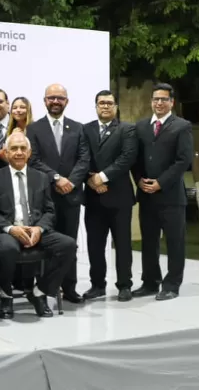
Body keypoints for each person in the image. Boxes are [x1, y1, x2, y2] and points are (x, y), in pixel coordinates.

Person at [0, 133, 77, 318]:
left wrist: (39, 229)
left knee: (68, 245)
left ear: (30, 152)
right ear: (6, 153)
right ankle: (6, 295)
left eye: (22, 148)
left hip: (35, 228)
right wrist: (11, 229)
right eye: (14, 149)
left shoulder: (41, 177)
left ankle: (40, 292)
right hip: (6, 230)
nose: (19, 152)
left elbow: (50, 211)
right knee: (8, 247)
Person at [26, 84, 90, 304]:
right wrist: (56, 178)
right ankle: (42, 289)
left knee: (70, 243)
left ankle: (69, 288)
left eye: (60, 98)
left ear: (67, 101)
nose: (55, 101)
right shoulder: (33, 129)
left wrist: (71, 182)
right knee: (45, 245)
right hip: (45, 196)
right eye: (51, 97)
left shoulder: (78, 128)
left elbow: (84, 159)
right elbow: (33, 160)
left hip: (71, 196)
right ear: (44, 101)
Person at [131, 83, 193, 301]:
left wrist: (161, 182)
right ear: (151, 101)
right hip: (146, 196)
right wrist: (139, 180)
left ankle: (172, 285)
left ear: (171, 102)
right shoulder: (140, 127)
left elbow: (183, 160)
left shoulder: (182, 126)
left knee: (175, 242)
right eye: (156, 99)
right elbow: (134, 159)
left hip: (172, 197)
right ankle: (150, 282)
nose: (159, 103)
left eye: (164, 99)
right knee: (149, 242)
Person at [83, 90, 137, 302]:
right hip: (94, 197)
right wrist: (91, 179)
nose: (105, 107)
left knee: (123, 244)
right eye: (101, 103)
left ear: (116, 107)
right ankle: (97, 285)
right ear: (96, 106)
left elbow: (127, 158)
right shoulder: (85, 129)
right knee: (95, 245)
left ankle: (124, 285)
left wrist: (102, 177)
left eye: (109, 103)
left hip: (120, 197)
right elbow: (81, 156)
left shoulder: (127, 130)